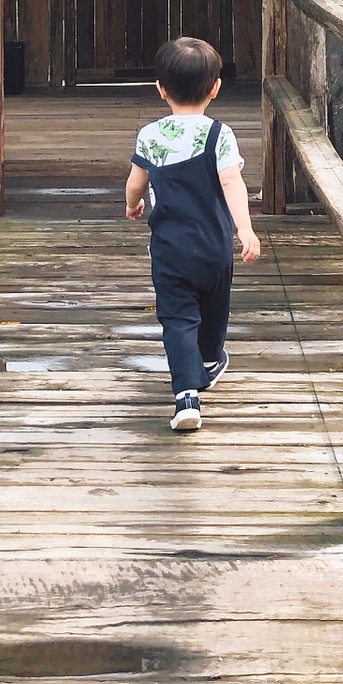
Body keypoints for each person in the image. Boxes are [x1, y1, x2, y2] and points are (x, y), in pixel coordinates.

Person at [124, 36, 261, 433]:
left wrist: (133, 204)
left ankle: (186, 396)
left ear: (160, 89)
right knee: (215, 310)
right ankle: (210, 358)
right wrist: (245, 228)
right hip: (215, 246)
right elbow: (232, 183)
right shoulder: (219, 135)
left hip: (169, 250)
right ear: (215, 88)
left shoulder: (150, 136)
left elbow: (136, 182)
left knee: (177, 319)